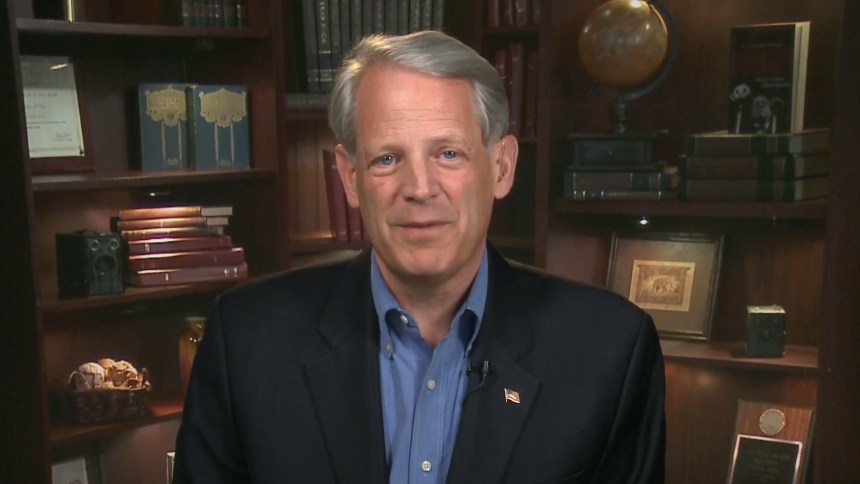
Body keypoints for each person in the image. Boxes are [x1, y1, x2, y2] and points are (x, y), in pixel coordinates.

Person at [173, 30, 665, 483]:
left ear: (501, 167)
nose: (420, 188)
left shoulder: (611, 350)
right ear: (350, 178)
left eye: (448, 153)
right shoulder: (246, 340)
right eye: (387, 158)